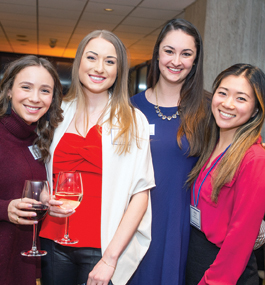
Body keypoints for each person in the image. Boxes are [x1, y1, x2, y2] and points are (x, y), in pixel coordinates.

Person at [39, 30, 155, 285]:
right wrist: (44, 195)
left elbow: (140, 195)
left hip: (102, 247)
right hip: (54, 239)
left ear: (119, 69)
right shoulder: (56, 113)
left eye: (110, 61)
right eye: (92, 57)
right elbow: (38, 171)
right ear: (79, 61)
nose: (99, 68)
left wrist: (110, 258)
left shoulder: (133, 121)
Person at [127, 18, 207, 285]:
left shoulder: (208, 110)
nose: (176, 61)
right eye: (169, 51)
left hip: (182, 226)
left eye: (186, 54)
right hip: (133, 222)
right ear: (157, 53)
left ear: (195, 61)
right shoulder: (129, 109)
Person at [186, 63, 265, 284]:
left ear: (255, 110)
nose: (228, 104)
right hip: (196, 256)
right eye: (222, 93)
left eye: (241, 98)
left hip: (224, 271)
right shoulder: (209, 145)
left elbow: (240, 240)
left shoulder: (254, 159)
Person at [0, 55, 63, 285]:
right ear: (9, 90)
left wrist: (46, 200)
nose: (35, 98)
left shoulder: (39, 139)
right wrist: (4, 208)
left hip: (23, 264)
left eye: (45, 91)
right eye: (26, 87)